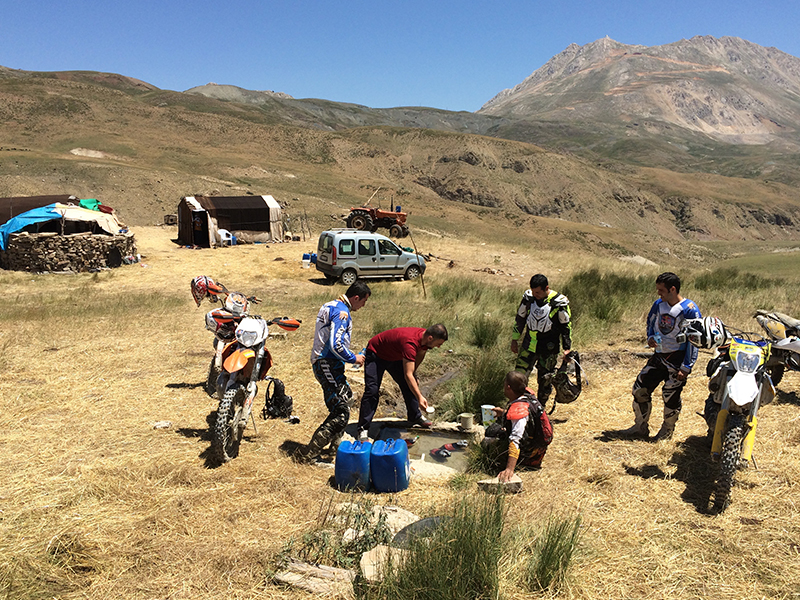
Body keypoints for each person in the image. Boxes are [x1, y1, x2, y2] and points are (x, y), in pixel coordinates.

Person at [296, 281, 371, 464]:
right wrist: (354, 358)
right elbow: (335, 344)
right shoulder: (342, 313)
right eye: (363, 301)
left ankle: (335, 446)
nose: (363, 306)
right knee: (341, 412)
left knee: (347, 399)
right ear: (355, 298)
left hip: (327, 363)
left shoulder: (330, 305)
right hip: (326, 363)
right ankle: (310, 454)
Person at [621, 272, 702, 441]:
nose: (658, 293)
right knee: (639, 389)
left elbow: (694, 340)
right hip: (658, 357)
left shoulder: (690, 310)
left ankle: (667, 431)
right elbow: (650, 323)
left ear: (672, 289)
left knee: (670, 396)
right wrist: (650, 337)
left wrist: (686, 367)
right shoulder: (658, 304)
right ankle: (640, 427)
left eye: (661, 290)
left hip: (677, 359)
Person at [356, 324, 448, 439]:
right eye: (439, 344)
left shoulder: (425, 340)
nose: (439, 347)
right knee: (372, 390)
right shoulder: (410, 343)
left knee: (408, 384)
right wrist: (419, 397)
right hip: (376, 354)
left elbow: (419, 356)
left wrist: (414, 375)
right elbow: (407, 375)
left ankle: (415, 416)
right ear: (430, 338)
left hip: (393, 356)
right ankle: (363, 428)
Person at [511, 273, 572, 407]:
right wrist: (515, 339)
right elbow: (520, 319)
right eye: (533, 291)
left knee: (545, 381)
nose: (535, 295)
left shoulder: (559, 302)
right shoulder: (528, 298)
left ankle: (540, 410)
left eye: (538, 292)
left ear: (546, 288)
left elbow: (565, 327)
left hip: (548, 349)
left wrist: (567, 348)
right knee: (518, 378)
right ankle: (518, 406)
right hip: (528, 345)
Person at [485, 370, 553, 482]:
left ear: (508, 387)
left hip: (530, 455)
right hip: (538, 448)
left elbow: (515, 440)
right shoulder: (528, 397)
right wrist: (503, 413)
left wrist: (509, 469)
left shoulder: (519, 411)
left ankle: (521, 462)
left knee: (491, 432)